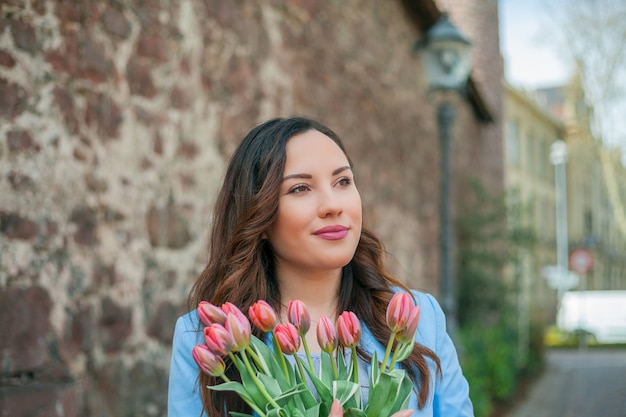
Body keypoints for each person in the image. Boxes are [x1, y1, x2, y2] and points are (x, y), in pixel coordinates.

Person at [168, 117, 474, 417]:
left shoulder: (418, 322)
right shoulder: (206, 339)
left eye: (343, 181)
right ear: (258, 216)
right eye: (300, 188)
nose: (332, 205)